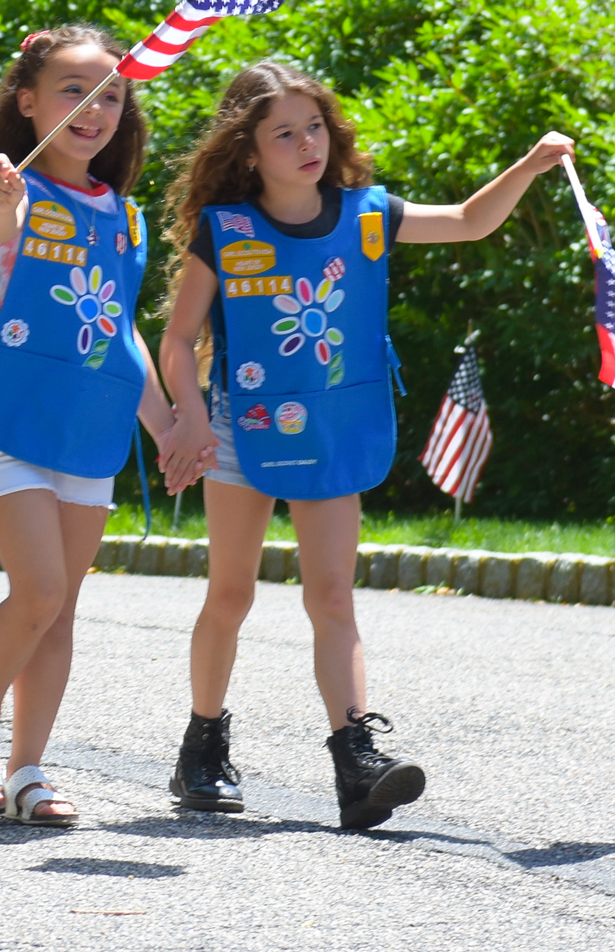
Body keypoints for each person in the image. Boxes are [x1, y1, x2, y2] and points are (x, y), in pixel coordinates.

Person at [156, 60, 575, 830]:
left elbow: (469, 221)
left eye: (314, 126)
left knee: (332, 597)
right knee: (231, 593)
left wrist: (528, 165)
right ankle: (203, 745)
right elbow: (178, 339)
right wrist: (188, 415)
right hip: (242, 431)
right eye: (284, 133)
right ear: (248, 149)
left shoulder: (369, 213)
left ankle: (357, 760)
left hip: (335, 428)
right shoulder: (225, 229)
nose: (306, 143)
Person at [0, 25, 186, 826]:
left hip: (90, 421)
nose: (94, 109)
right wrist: (3, 213)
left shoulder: (125, 215)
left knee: (61, 606)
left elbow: (121, 328)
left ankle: (28, 771)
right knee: (40, 587)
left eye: (110, 94)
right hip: (5, 411)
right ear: (26, 102)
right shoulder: (10, 194)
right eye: (72, 91)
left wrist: (166, 425)